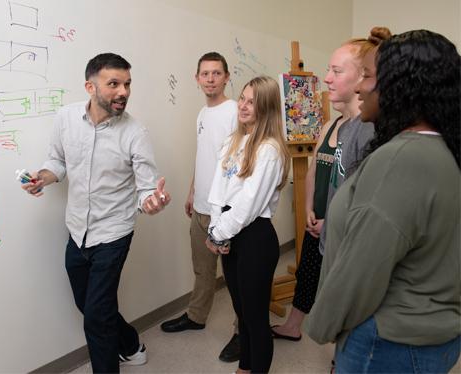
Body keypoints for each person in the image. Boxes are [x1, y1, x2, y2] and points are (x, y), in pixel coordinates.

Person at [307, 29, 460, 373]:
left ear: (401, 86)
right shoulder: (440, 148)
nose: (361, 87)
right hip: (429, 332)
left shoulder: (401, 160)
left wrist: (323, 324)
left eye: (369, 76)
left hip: (390, 343)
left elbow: (361, 270)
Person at [21, 53, 171, 373]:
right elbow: (57, 162)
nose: (123, 92)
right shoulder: (65, 118)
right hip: (77, 228)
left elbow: (146, 188)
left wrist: (151, 202)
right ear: (90, 86)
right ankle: (131, 345)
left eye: (127, 84)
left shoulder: (135, 132)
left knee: (97, 318)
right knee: (87, 304)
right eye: (113, 84)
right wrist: (43, 178)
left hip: (114, 231)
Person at [272, 30, 384, 341]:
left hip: (343, 230)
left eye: (336, 71)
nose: (327, 79)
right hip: (317, 223)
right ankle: (294, 326)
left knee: (342, 291)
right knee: (307, 275)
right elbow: (311, 173)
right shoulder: (330, 125)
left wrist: (333, 221)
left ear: (363, 76)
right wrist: (308, 210)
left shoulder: (370, 129)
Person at [206, 76, 291, 373]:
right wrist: (216, 229)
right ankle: (245, 367)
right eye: (242, 98)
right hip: (229, 233)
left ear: (266, 108)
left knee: (256, 319)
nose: (242, 105)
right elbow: (218, 190)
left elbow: (248, 206)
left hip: (254, 237)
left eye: (251, 101)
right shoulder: (233, 140)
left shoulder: (269, 150)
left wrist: (218, 233)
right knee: (241, 313)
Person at [160, 52, 240, 362]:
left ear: (226, 77)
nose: (210, 79)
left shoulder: (234, 111)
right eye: (204, 74)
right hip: (203, 205)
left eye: (216, 73)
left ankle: (240, 330)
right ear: (197, 79)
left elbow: (241, 160)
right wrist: (193, 191)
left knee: (235, 277)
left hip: (227, 210)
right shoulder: (202, 114)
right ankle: (196, 316)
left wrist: (232, 209)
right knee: (202, 268)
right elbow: (204, 156)